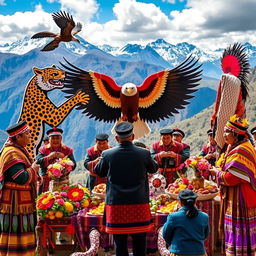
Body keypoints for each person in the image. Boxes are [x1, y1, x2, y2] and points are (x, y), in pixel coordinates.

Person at [94, 122, 157, 256]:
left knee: (120, 242)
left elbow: (98, 171)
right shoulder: (144, 153)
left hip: (116, 204)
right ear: (133, 136)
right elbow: (154, 168)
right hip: (139, 204)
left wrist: (103, 160)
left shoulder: (107, 154)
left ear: (117, 138)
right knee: (140, 242)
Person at [210, 115, 256, 256]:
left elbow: (231, 178)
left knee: (240, 228)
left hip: (241, 197)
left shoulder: (241, 150)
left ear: (236, 134)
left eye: (227, 132)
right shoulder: (234, 146)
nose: (224, 135)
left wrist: (216, 173)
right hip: (236, 195)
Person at [0, 120, 40, 256]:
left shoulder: (16, 150)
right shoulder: (12, 153)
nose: (30, 136)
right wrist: (33, 169)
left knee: (17, 229)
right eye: (27, 134)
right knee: (16, 229)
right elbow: (20, 178)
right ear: (18, 137)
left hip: (18, 201)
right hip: (15, 203)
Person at [162, 189, 209, 256]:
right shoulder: (204, 216)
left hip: (178, 253)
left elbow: (166, 235)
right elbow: (205, 235)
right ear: (195, 201)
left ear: (179, 202)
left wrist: (174, 245)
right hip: (199, 253)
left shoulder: (173, 216)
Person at [36, 127, 76, 194]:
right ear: (49, 139)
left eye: (57, 138)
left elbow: (74, 165)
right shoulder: (43, 150)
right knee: (45, 201)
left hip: (63, 181)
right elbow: (38, 162)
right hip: (46, 181)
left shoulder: (67, 150)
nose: (55, 140)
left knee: (62, 201)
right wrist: (49, 157)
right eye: (53, 138)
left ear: (61, 139)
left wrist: (64, 158)